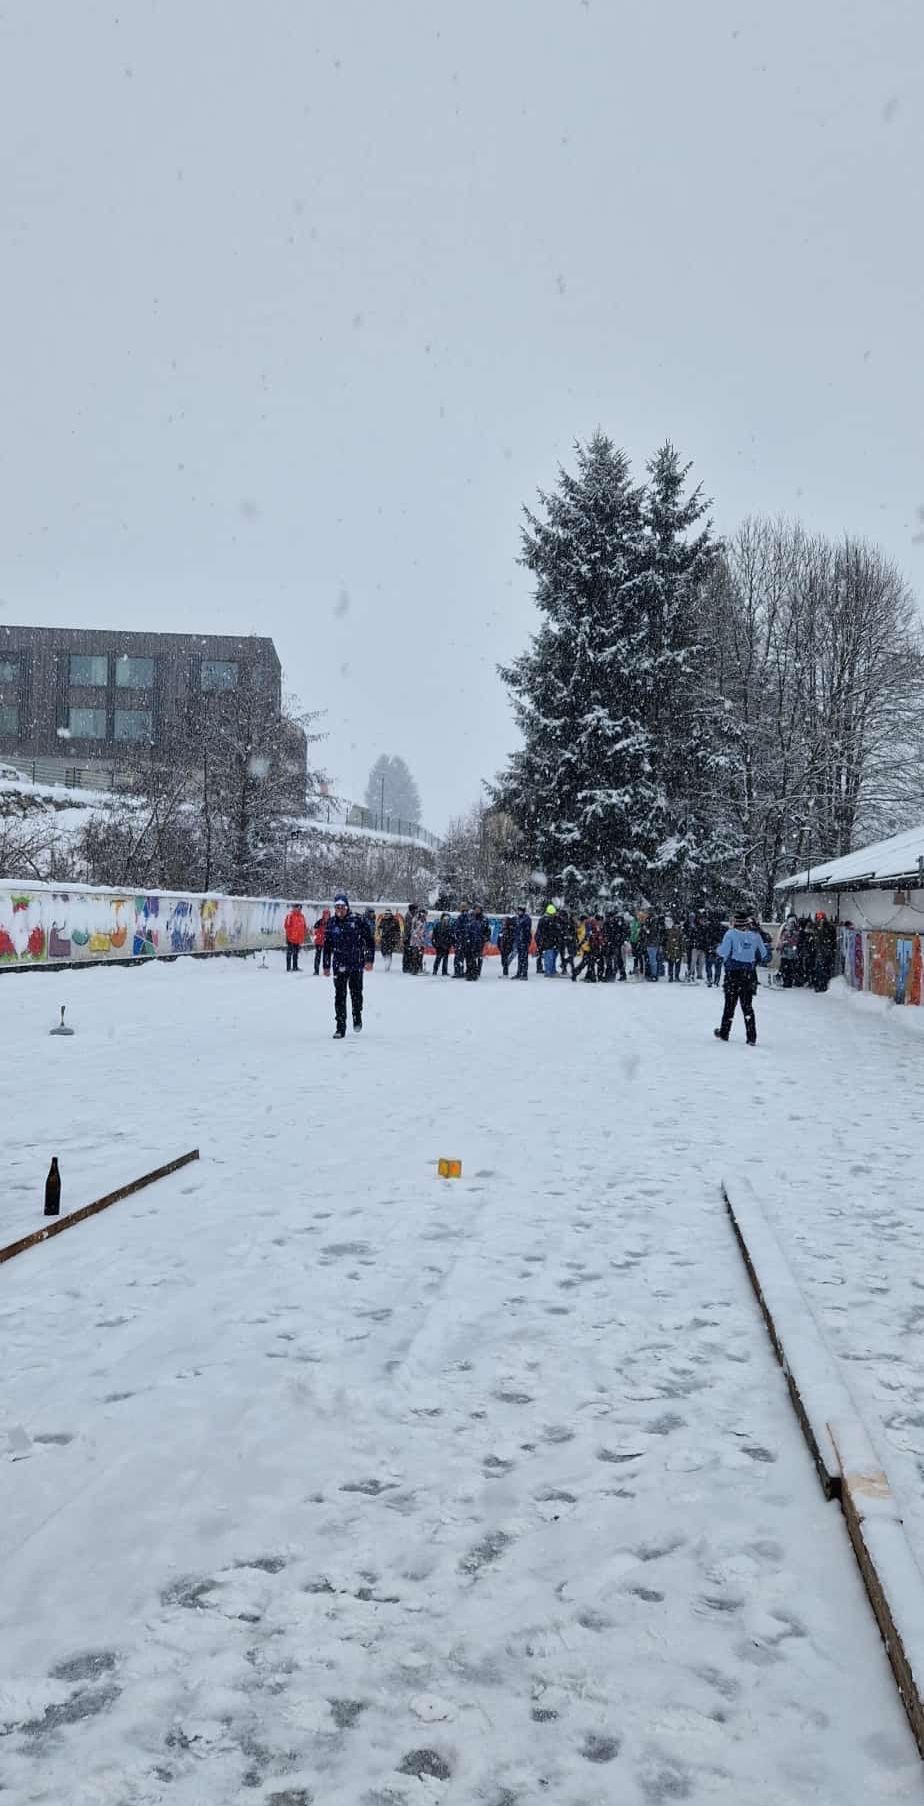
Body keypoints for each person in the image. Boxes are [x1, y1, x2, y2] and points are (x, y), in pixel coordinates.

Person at [323, 892, 375, 1038]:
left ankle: (357, 1015)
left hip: (356, 964)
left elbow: (369, 941)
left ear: (347, 907)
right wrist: (326, 965)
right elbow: (327, 946)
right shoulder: (332, 923)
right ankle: (340, 1027)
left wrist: (369, 960)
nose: (339, 910)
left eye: (342, 907)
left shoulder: (358, 920)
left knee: (356, 994)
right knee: (339, 996)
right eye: (337, 907)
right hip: (339, 964)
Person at [714, 910, 769, 1045]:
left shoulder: (730, 934)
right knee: (747, 1006)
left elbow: (723, 952)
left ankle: (724, 1032)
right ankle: (751, 1037)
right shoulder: (755, 936)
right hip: (749, 974)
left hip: (733, 973)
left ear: (735, 923)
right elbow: (764, 954)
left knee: (730, 1005)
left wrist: (717, 949)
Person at [284, 902, 307, 972]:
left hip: (298, 939)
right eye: (297, 908)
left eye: (300, 908)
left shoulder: (302, 916)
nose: (299, 910)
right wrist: (290, 935)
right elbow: (286, 926)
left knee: (296, 954)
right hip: (291, 938)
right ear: (294, 908)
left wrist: (304, 933)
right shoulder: (290, 916)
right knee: (289, 953)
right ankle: (288, 968)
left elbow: (304, 926)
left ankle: (295, 967)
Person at [538, 904, 559, 976]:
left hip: (550, 941)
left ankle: (551, 971)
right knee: (549, 957)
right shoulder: (547, 921)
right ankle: (549, 971)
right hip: (549, 941)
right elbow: (544, 931)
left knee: (551, 957)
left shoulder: (544, 920)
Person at [378, 908, 401, 973]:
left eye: (388, 914)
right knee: (383, 951)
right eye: (386, 914)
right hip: (384, 938)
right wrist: (380, 932)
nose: (387, 915)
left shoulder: (395, 921)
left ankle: (388, 964)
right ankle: (386, 960)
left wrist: (397, 938)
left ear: (390, 914)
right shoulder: (383, 920)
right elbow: (380, 928)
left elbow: (398, 930)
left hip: (391, 939)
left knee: (389, 952)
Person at [432, 911, 453, 975]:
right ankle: (435, 970)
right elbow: (434, 935)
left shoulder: (449, 926)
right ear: (442, 918)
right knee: (438, 958)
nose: (446, 920)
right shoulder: (438, 925)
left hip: (446, 945)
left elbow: (450, 936)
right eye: (445, 918)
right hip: (439, 945)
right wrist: (435, 943)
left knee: (445, 959)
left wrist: (450, 943)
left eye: (447, 918)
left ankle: (444, 971)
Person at [664, 915, 684, 983]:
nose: (677, 926)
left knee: (677, 964)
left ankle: (676, 976)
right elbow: (667, 942)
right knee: (671, 964)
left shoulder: (680, 932)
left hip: (677, 951)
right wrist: (667, 951)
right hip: (671, 950)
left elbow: (682, 943)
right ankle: (671, 976)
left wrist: (683, 951)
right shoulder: (670, 932)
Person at [514, 907, 532, 979]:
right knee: (520, 958)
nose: (518, 912)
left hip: (524, 941)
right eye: (518, 911)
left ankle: (524, 974)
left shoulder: (526, 919)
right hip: (519, 941)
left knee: (524, 958)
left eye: (520, 911)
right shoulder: (518, 918)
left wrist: (525, 939)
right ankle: (519, 973)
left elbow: (526, 930)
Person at [452, 903, 470, 978]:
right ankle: (459, 971)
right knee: (460, 957)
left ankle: (459, 971)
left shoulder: (463, 917)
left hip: (462, 940)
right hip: (463, 940)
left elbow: (457, 929)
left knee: (459, 957)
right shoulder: (464, 917)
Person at [312, 907, 330, 975]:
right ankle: (316, 971)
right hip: (319, 942)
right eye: (325, 914)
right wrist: (317, 937)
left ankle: (325, 970)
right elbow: (314, 930)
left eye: (327, 914)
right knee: (317, 957)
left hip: (327, 942)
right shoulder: (319, 922)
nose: (326, 916)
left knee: (326, 957)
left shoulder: (331, 922)